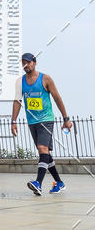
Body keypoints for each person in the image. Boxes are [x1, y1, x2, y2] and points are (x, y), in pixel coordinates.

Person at [12, 52, 70, 196]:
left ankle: (38, 183)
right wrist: (13, 121)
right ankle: (59, 183)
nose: (26, 65)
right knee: (45, 153)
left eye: (28, 62)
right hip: (32, 121)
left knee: (42, 148)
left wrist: (66, 119)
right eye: (23, 63)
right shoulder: (20, 81)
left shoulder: (45, 78)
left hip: (46, 119)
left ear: (34, 62)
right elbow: (17, 101)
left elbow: (57, 98)